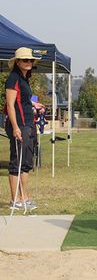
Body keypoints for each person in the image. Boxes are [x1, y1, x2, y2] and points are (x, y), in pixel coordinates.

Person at [4, 47, 45, 211]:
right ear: (18, 62)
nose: (29, 63)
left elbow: (24, 99)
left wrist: (35, 105)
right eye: (25, 60)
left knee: (26, 162)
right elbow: (10, 105)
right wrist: (15, 127)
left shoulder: (24, 79)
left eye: (31, 60)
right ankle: (15, 200)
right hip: (19, 125)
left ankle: (24, 196)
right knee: (17, 162)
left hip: (28, 124)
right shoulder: (13, 79)